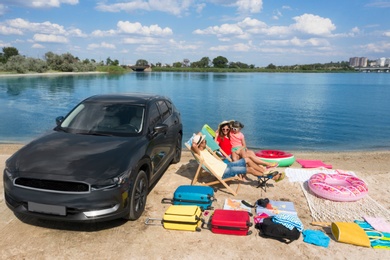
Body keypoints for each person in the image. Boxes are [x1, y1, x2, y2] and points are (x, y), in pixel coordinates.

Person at [191, 133, 282, 181]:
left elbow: (198, 135)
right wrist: (196, 141)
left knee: (247, 159)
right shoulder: (199, 153)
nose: (205, 141)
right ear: (200, 144)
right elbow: (194, 146)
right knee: (249, 169)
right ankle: (269, 176)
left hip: (224, 166)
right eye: (204, 141)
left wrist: (198, 137)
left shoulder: (205, 149)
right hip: (222, 172)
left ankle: (265, 172)